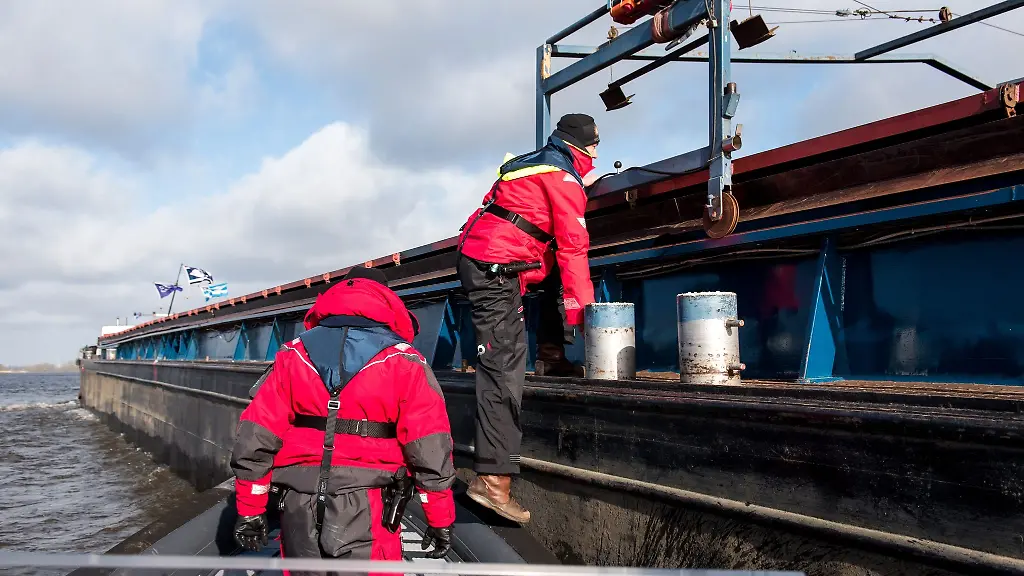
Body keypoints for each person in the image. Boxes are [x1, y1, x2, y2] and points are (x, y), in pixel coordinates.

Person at [229, 266, 456, 572]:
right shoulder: (405, 361)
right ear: (388, 301)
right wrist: (439, 518)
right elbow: (429, 448)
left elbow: (255, 438)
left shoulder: (292, 354)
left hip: (298, 505)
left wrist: (250, 509)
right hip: (369, 507)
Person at [455, 113, 600, 523]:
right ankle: (493, 482)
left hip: (483, 256)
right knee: (502, 367)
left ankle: (552, 356)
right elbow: (574, 247)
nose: (595, 153)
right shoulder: (564, 181)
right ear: (584, 146)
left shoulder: (528, 164)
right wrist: (582, 314)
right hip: (496, 267)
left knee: (506, 355)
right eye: (594, 146)